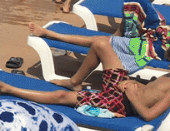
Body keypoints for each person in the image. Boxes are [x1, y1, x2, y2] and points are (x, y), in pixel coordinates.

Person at [26, 20, 167, 95]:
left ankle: (51, 34)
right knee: (102, 41)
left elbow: (148, 114)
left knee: (100, 42)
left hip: (151, 49)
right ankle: (51, 34)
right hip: (153, 43)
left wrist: (134, 89)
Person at [0, 68, 170, 125]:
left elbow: (148, 115)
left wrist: (131, 95)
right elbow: (151, 91)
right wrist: (133, 84)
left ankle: (6, 88)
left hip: (120, 104)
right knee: (102, 45)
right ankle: (75, 80)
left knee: (62, 96)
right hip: (124, 92)